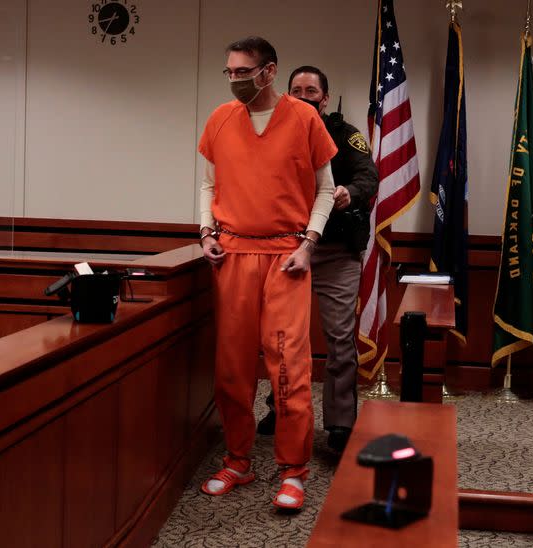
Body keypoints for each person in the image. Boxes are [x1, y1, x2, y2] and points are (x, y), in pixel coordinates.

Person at [197, 38, 337, 511]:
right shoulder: (220, 118)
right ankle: (239, 459)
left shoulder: (304, 117)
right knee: (232, 366)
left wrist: (309, 242)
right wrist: (205, 230)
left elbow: (326, 188)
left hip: (285, 255)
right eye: (229, 72)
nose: (234, 79)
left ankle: (293, 470)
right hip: (232, 253)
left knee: (288, 367)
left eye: (243, 72)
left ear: (269, 71)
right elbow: (208, 182)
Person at [256, 66, 379, 453]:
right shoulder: (271, 131)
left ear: (325, 98)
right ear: (286, 94)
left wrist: (350, 193)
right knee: (283, 339)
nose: (304, 96)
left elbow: (368, 177)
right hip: (285, 249)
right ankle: (283, 407)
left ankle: (341, 425)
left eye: (312, 91)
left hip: (335, 251)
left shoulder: (345, 135)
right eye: (297, 90)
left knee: (340, 339)